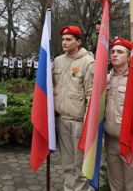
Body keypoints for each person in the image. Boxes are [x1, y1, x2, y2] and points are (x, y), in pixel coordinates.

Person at [104, 38, 133, 191]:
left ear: (129, 56)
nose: (114, 55)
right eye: (113, 51)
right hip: (111, 143)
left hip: (132, 145)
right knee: (116, 186)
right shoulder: (107, 79)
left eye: (120, 52)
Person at [53, 25, 94, 191]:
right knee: (67, 164)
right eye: (63, 39)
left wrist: (88, 125)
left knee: (81, 165)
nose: (64, 42)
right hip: (62, 119)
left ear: (78, 42)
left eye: (68, 39)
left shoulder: (88, 62)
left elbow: (91, 95)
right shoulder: (57, 61)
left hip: (79, 123)